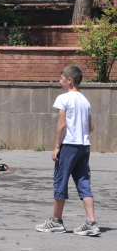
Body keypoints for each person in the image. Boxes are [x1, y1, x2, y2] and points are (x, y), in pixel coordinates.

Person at [36, 65, 99, 236]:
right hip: (84, 145)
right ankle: (91, 222)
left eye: (61, 78)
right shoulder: (85, 100)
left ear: (69, 80)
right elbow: (91, 127)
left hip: (69, 145)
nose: (59, 81)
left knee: (60, 181)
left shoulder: (63, 98)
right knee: (84, 182)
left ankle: (56, 221)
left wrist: (57, 147)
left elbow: (61, 125)